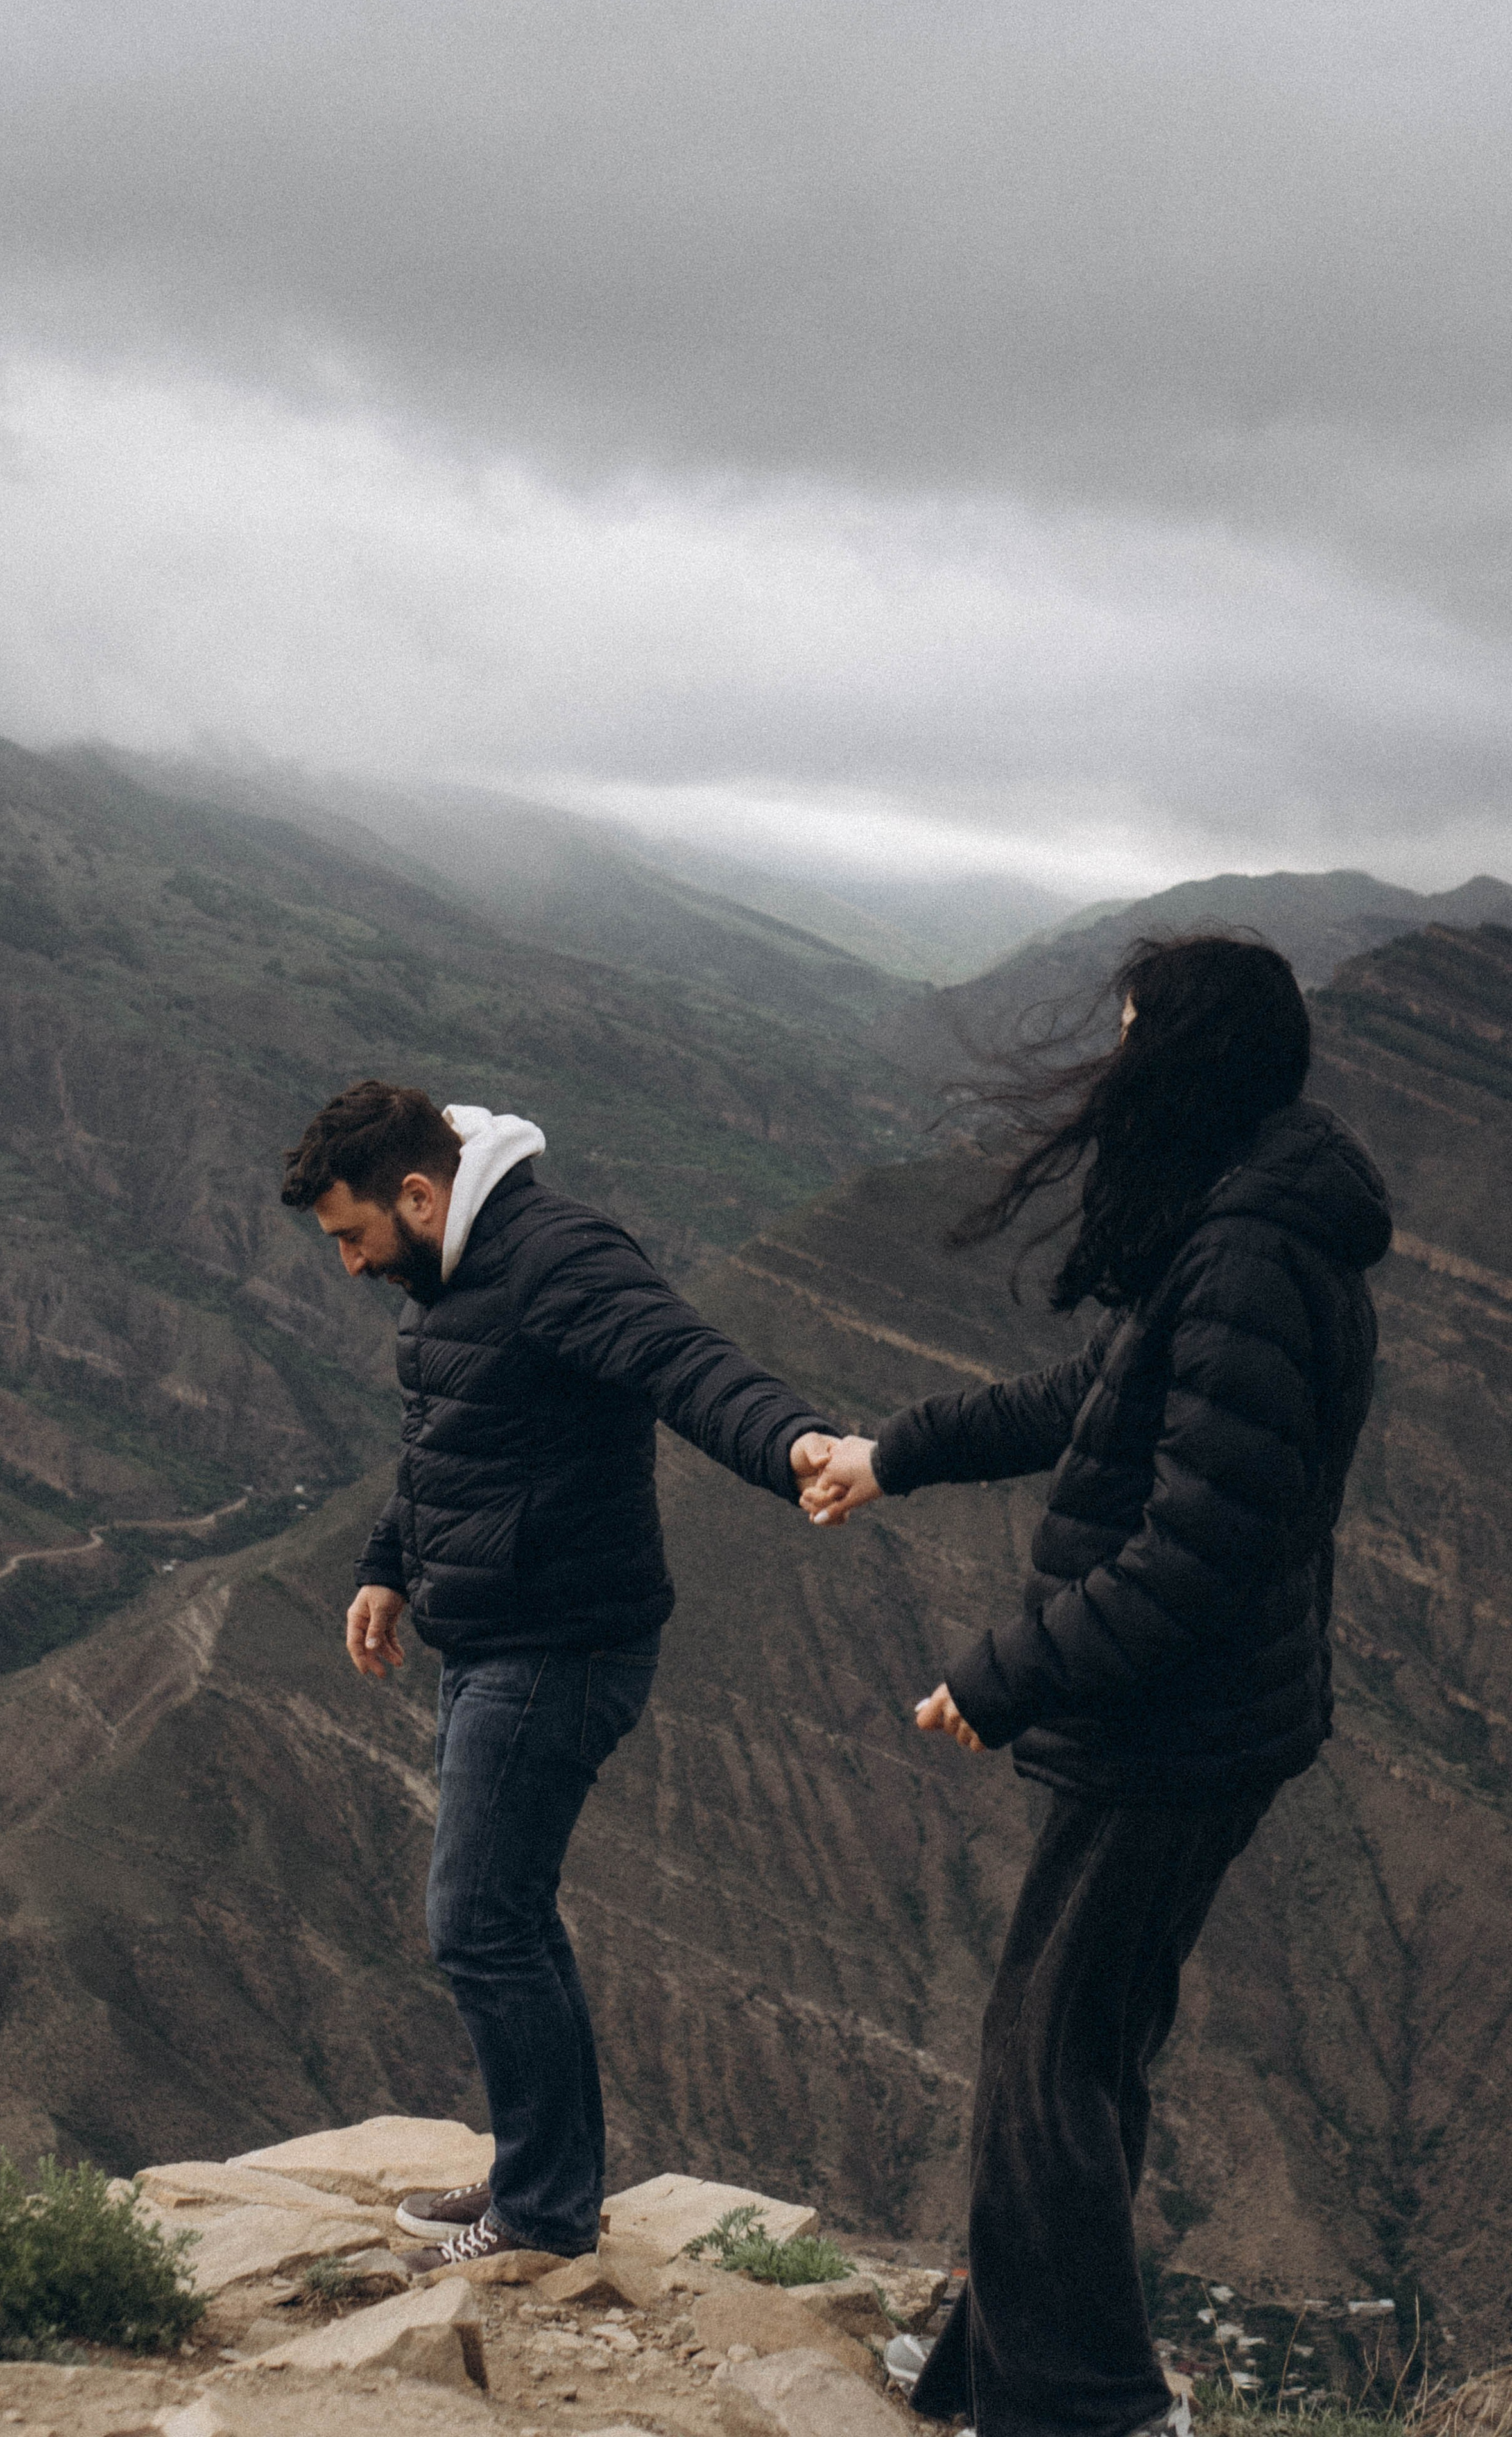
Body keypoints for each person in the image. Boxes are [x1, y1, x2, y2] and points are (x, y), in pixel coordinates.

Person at [803, 934, 1391, 2437]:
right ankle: (1008, 2369)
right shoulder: (1234, 1223)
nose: (1111, 1065)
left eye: (1131, 1036)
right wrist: (894, 1454)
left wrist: (1003, 1675)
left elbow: (1194, 1553)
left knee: (1045, 2058)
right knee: (1081, 2047)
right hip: (1182, 1720)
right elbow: (1089, 1400)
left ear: (1184, 1058)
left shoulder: (1251, 1255)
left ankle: (1091, 2409)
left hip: (1173, 1730)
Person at [280, 1081, 839, 2270]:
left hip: (559, 1647)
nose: (349, 1264)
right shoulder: (454, 1277)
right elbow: (449, 1441)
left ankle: (541, 2217)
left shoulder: (553, 1257)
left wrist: (795, 1444)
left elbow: (686, 1361)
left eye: (354, 1236)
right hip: (497, 1635)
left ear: (418, 1195)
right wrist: (387, 1565)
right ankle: (544, 2178)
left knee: (478, 1922)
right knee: (510, 1917)